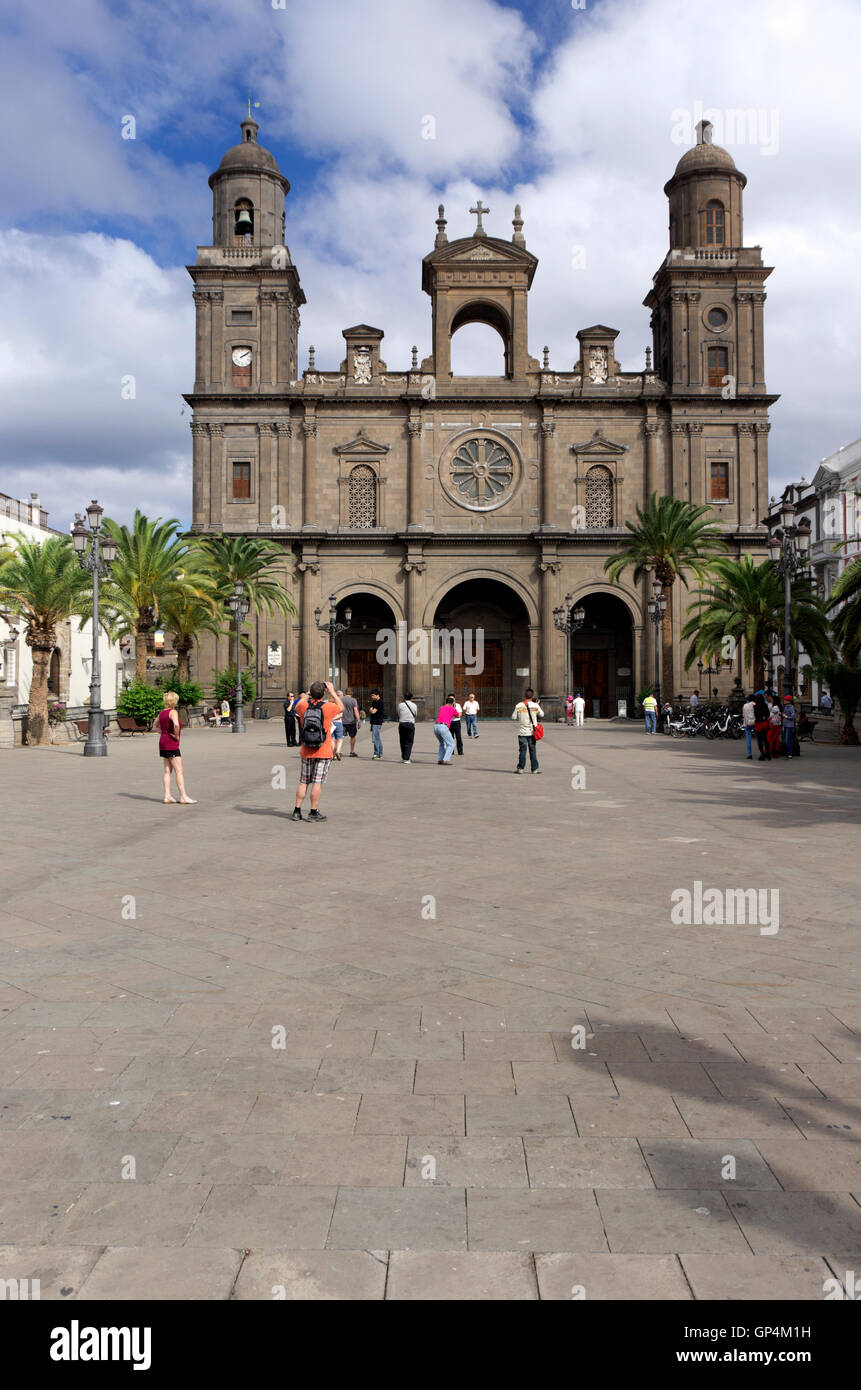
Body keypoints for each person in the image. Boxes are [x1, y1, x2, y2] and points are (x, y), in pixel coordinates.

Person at [292, 680, 344, 822]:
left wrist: (307, 693)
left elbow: (297, 705)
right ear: (324, 693)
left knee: (304, 781)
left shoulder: (302, 706)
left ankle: (297, 811)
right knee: (317, 782)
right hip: (324, 750)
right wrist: (332, 691)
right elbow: (342, 707)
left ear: (310, 692)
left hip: (306, 750)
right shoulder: (329, 707)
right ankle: (313, 812)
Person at [158, 691, 196, 804]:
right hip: (171, 743)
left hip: (163, 742)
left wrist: (162, 732)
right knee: (179, 770)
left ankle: (167, 795)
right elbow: (176, 724)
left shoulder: (162, 713)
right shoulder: (173, 712)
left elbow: (155, 726)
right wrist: (175, 734)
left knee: (167, 771)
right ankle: (183, 796)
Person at [512, 687, 543, 773]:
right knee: (532, 750)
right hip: (532, 732)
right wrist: (537, 705)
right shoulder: (535, 705)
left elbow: (513, 717)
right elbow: (542, 714)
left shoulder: (519, 705)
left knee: (522, 751)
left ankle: (521, 769)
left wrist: (520, 715)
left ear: (524, 696)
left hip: (522, 732)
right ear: (532, 696)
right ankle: (535, 769)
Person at [434, 695, 457, 764]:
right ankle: (446, 759)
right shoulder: (452, 708)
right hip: (443, 727)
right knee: (451, 744)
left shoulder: (441, 708)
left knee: (442, 743)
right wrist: (454, 707)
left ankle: (440, 759)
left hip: (436, 726)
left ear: (446, 702)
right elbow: (458, 715)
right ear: (452, 703)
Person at [397, 691, 418, 763]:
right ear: (411, 698)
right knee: (409, 741)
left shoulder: (400, 705)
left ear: (404, 697)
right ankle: (406, 758)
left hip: (402, 724)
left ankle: (403, 757)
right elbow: (415, 714)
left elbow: (399, 714)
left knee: (402, 741)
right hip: (410, 724)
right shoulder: (414, 705)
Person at [341, 687, 360, 756]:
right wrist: (359, 721)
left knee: (341, 736)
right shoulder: (353, 700)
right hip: (351, 722)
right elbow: (355, 710)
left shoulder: (341, 699)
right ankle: (352, 751)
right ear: (352, 692)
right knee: (352, 736)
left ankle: (338, 750)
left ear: (346, 692)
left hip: (342, 721)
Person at [753, 690, 771, 761]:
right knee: (765, 739)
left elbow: (755, 716)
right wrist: (764, 716)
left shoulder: (755, 706)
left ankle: (762, 754)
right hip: (764, 723)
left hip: (758, 724)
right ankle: (768, 753)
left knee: (760, 740)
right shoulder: (765, 705)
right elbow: (768, 714)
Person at [368, 690, 385, 759]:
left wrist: (371, 710)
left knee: (375, 738)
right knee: (377, 738)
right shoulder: (374, 702)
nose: (372, 697)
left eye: (373, 695)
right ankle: (380, 753)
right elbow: (371, 710)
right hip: (374, 722)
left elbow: (373, 711)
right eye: (371, 695)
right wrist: (371, 710)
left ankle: (377, 753)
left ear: (378, 695)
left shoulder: (380, 702)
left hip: (377, 722)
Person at [742, 692, 756, 759]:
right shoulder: (756, 704)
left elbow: (744, 715)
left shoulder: (745, 705)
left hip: (747, 723)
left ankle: (749, 753)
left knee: (748, 738)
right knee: (758, 737)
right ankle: (762, 751)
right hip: (755, 722)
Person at [331, 693, 346, 761]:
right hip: (338, 723)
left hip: (330, 724)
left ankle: (333, 755)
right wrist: (335, 718)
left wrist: (331, 719)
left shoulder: (329, 705)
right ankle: (338, 751)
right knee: (339, 739)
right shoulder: (339, 705)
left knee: (332, 740)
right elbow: (341, 715)